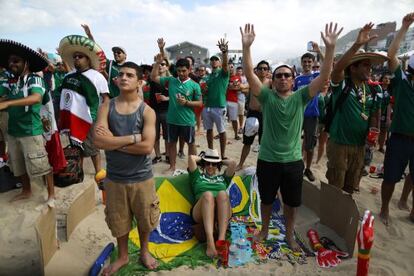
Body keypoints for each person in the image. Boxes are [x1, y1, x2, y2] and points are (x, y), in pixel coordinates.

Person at [240, 22, 341, 251]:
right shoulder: (267, 97)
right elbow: (249, 73)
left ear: (293, 80)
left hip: (293, 161)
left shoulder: (301, 97)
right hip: (267, 159)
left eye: (287, 75)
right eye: (279, 76)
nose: (283, 78)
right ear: (273, 81)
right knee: (266, 200)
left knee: (292, 203)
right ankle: (264, 230)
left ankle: (289, 234)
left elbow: (325, 74)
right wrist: (246, 48)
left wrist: (330, 48)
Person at [93, 62, 160, 273]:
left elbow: (147, 147)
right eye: (121, 74)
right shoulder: (106, 106)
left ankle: (144, 251)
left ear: (139, 82)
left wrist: (114, 142)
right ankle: (122, 256)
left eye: (130, 75)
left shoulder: (147, 111)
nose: (124, 77)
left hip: (142, 177)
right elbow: (98, 141)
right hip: (115, 178)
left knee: (145, 218)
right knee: (118, 219)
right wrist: (132, 138)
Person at [326, 23, 385, 194]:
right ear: (353, 68)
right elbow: (337, 69)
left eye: (370, 65)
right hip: (339, 144)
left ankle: (345, 218)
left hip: (360, 145)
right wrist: (357, 44)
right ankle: (332, 218)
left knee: (351, 185)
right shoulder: (342, 84)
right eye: (365, 65)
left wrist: (375, 133)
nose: (370, 68)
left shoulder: (374, 89)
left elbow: (374, 113)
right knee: (335, 185)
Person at [0, 39, 55, 203]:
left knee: (41, 164)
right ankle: (26, 190)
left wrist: (8, 102)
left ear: (26, 63)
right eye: (10, 62)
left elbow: (35, 98)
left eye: (16, 61)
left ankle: (51, 194)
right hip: (13, 130)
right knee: (17, 164)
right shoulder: (11, 82)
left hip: (31, 130)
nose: (12, 64)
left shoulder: (34, 79)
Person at [58, 34, 109, 181]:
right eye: (74, 57)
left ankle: (98, 171)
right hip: (72, 119)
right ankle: (77, 171)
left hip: (89, 118)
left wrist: (102, 119)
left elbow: (106, 99)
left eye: (80, 56)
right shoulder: (69, 76)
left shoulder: (97, 77)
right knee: (76, 146)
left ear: (88, 59)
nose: (76, 59)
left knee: (92, 147)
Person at [380, 12, 414, 225]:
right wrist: (404, 27)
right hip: (400, 138)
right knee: (391, 176)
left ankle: (405, 204)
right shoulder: (403, 82)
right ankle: (384, 209)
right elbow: (391, 54)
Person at [151, 53, 202, 173]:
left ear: (189, 70)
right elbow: (154, 78)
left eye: (184, 71)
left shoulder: (194, 85)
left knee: (191, 144)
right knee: (172, 144)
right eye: (179, 71)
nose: (181, 73)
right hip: (172, 120)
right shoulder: (171, 80)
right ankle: (172, 166)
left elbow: (200, 103)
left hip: (187, 121)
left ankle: (192, 167)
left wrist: (187, 103)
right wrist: (157, 63)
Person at [188, 149, 236, 257]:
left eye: (214, 164)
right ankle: (210, 242)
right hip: (201, 209)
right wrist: (204, 158)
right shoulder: (197, 177)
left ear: (217, 166)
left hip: (221, 210)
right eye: (207, 163)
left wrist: (219, 161)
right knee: (208, 195)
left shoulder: (222, 178)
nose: (210, 166)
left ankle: (221, 240)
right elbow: (191, 158)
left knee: (222, 194)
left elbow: (233, 163)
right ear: (203, 164)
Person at [235, 60, 271, 171]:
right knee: (247, 142)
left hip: (265, 115)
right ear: (256, 70)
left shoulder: (270, 83)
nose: (262, 70)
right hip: (252, 114)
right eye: (260, 68)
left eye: (265, 68)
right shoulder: (253, 81)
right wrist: (238, 85)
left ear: (268, 71)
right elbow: (243, 86)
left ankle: (263, 167)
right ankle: (241, 163)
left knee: (264, 144)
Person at [81, 24, 126, 98]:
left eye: (119, 52)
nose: (116, 54)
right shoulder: (110, 63)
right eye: (114, 52)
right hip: (109, 98)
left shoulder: (129, 67)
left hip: (123, 99)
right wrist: (89, 35)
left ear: (125, 56)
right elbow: (98, 52)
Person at [202, 39, 230, 159]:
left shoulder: (223, 73)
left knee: (222, 131)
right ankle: (211, 151)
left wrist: (224, 53)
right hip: (207, 106)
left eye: (215, 60)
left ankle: (223, 155)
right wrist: (204, 91)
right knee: (209, 130)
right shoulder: (207, 77)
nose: (213, 61)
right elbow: (204, 91)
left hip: (219, 106)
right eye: (212, 60)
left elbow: (225, 65)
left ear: (219, 62)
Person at [294, 52, 320, 182]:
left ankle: (308, 169)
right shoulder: (297, 79)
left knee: (310, 144)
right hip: (298, 115)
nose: (307, 64)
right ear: (301, 63)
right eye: (305, 61)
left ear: (313, 63)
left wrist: (320, 51)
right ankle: (297, 166)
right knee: (294, 142)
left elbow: (329, 70)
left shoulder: (316, 76)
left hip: (311, 115)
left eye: (309, 62)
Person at [226, 62, 243, 140]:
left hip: (233, 101)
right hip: (223, 100)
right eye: (229, 67)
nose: (230, 68)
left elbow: (237, 88)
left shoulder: (237, 78)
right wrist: (232, 86)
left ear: (234, 68)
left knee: (233, 119)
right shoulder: (224, 77)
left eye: (231, 67)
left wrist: (229, 87)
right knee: (222, 119)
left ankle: (236, 135)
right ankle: (221, 134)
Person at [378, 73, 392, 153]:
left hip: (385, 113)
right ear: (382, 79)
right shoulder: (377, 88)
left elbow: (390, 104)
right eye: (385, 78)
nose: (387, 80)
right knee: (375, 129)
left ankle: (381, 146)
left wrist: (388, 117)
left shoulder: (390, 91)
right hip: (376, 112)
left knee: (383, 130)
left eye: (388, 79)